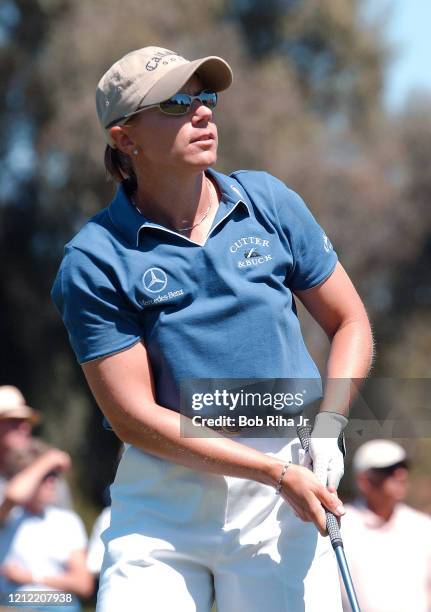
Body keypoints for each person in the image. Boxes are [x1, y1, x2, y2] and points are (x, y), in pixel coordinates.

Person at [51, 46, 374, 611]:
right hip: (165, 501)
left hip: (286, 496)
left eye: (205, 99)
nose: (202, 114)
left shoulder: (268, 202)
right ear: (125, 139)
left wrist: (331, 424)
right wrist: (272, 471)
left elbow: (349, 321)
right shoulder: (94, 257)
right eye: (176, 104)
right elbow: (132, 417)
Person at [0, 440, 93, 611]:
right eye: (45, 476)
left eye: (54, 476)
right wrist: (48, 460)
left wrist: (31, 577)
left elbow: (83, 584)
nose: (53, 483)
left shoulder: (67, 521)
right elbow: (14, 495)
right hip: (13, 604)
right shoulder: (8, 515)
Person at [340, 439, 431, 612]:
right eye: (388, 470)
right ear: (364, 481)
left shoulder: (423, 527)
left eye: (403, 467)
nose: (401, 475)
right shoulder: (339, 526)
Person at [0, 386, 73, 510]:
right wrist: (48, 461)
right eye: (14, 421)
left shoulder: (49, 475)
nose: (24, 427)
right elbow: (10, 501)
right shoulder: (46, 464)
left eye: (25, 421)